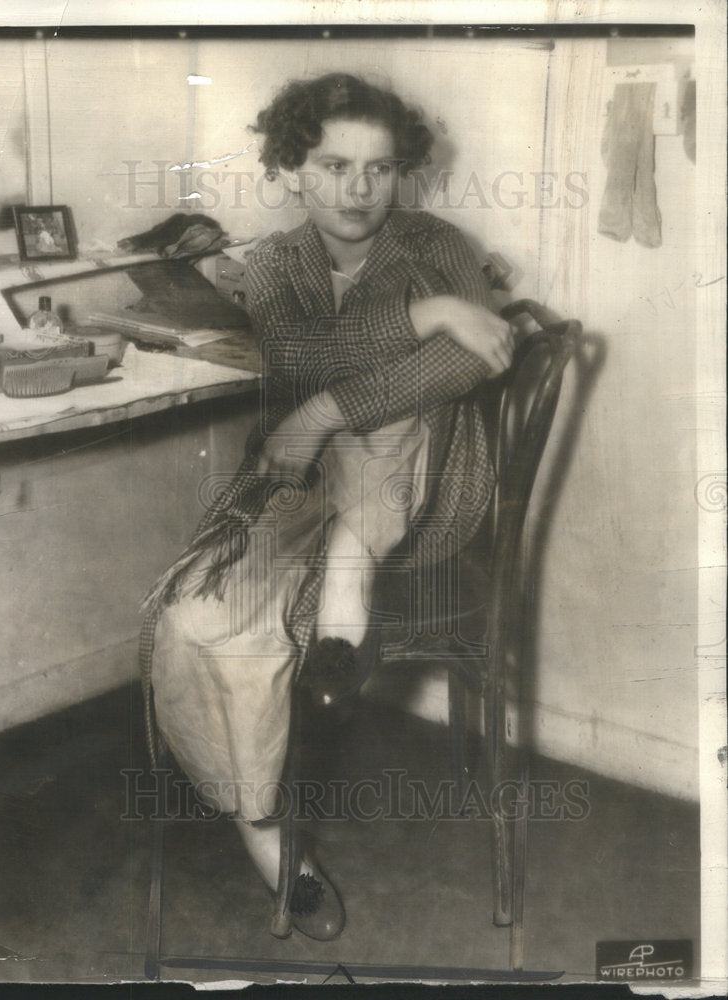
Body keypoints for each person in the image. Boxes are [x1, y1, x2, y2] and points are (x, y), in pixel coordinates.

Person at [139, 72, 514, 941]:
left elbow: (474, 363)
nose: (358, 189)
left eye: (379, 169)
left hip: (423, 501)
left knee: (403, 414)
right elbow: (299, 353)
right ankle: (267, 835)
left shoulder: (438, 244)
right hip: (298, 493)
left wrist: (321, 409)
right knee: (199, 618)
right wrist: (433, 317)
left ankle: (349, 575)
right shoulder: (273, 264)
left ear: (403, 173)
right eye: (334, 165)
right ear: (292, 171)